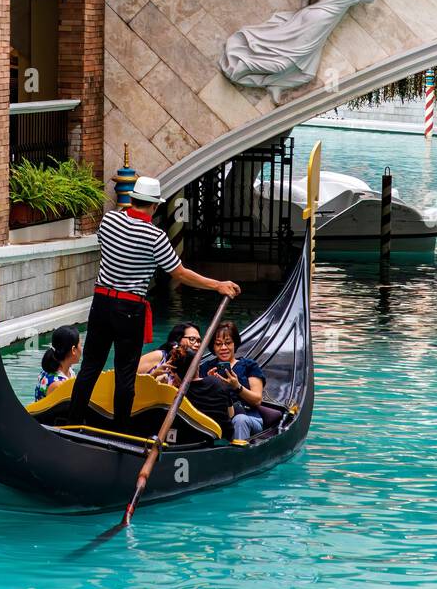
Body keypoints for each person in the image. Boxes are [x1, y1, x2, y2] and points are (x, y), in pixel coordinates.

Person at [67, 176, 240, 431]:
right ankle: (121, 432)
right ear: (155, 206)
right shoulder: (155, 237)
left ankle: (73, 422)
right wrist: (217, 285)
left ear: (132, 199)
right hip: (129, 310)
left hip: (101, 303)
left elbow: (107, 246)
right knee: (125, 374)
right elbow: (179, 273)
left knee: (90, 367)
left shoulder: (109, 220)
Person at [201, 321, 266, 445]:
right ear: (213, 347)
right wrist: (208, 384)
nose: (224, 348)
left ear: (234, 343)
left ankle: (239, 459)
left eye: (228, 343)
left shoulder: (249, 366)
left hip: (248, 417)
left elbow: (257, 400)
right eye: (218, 344)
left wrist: (237, 386)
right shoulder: (205, 368)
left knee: (240, 420)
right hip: (217, 420)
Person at [34, 325, 80, 402]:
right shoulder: (58, 385)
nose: (81, 349)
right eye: (79, 345)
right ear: (73, 350)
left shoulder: (59, 368)